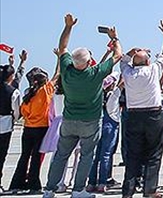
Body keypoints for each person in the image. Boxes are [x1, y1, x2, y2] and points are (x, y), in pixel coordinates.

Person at [43, 16, 117, 198]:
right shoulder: (95, 73)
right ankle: (77, 190)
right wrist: (114, 38)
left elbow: (62, 47)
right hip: (90, 121)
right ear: (88, 61)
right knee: (86, 156)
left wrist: (67, 27)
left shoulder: (67, 71)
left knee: (61, 155)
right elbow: (118, 55)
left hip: (69, 120)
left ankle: (50, 189)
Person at [119, 20, 163, 198]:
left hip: (133, 116)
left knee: (132, 155)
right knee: (154, 153)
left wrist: (132, 52)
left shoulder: (128, 73)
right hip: (153, 115)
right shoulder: (153, 70)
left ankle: (128, 190)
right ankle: (150, 189)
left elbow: (123, 60)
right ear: (148, 60)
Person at [9, 66, 55, 193]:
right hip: (41, 128)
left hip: (28, 128)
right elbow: (57, 74)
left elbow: (23, 111)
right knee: (36, 157)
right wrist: (59, 58)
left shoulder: (28, 94)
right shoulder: (45, 91)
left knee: (24, 156)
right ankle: (33, 184)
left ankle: (16, 184)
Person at [87, 75, 121, 193]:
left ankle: (91, 182)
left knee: (95, 156)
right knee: (106, 155)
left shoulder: (97, 95)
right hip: (111, 125)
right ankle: (102, 182)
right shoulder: (114, 94)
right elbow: (122, 82)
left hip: (98, 123)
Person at [0, 51, 28, 190]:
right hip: (4, 125)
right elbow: (16, 111)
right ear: (10, 76)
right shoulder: (12, 91)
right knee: (1, 154)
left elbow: (16, 79)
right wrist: (15, 118)